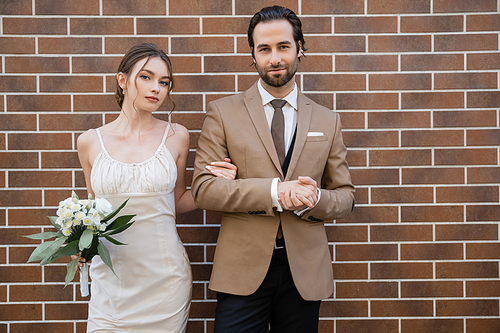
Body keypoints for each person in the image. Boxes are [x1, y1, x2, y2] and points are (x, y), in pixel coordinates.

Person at [191, 5, 355, 333]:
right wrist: (274, 192)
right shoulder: (223, 113)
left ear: (299, 48)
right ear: (252, 54)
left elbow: (345, 196)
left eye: (283, 47)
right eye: (264, 49)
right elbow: (204, 189)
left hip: (304, 272)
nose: (275, 58)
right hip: (242, 269)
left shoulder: (327, 120)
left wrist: (313, 198)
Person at [76, 43, 236, 332]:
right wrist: (81, 242)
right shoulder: (89, 141)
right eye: (146, 77)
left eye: (164, 82)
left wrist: (213, 186)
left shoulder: (176, 136)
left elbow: (177, 202)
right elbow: (93, 210)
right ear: (122, 80)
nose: (157, 89)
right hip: (109, 281)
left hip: (165, 280)